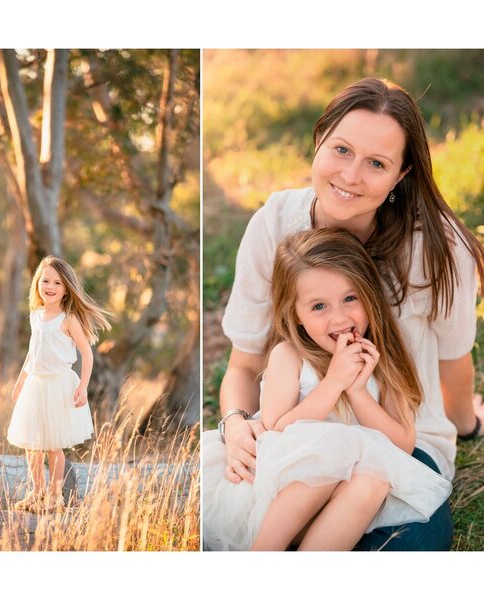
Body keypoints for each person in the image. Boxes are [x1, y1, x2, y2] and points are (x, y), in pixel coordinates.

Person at [217, 77, 484, 550]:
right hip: (300, 437)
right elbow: (243, 364)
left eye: (377, 163)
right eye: (341, 149)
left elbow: (453, 362)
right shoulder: (275, 224)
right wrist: (236, 423)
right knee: (230, 521)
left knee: (399, 550)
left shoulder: (438, 249)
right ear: (318, 140)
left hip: (398, 444)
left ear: (402, 175)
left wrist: (466, 423)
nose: (351, 176)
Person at [204, 229, 451, 550]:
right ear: (296, 314)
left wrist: (358, 392)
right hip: (283, 494)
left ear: (370, 295)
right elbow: (276, 428)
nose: (339, 317)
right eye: (318, 306)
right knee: (330, 454)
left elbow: (402, 445)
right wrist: (334, 383)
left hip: (343, 505)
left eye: (350, 298)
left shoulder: (383, 357)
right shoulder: (289, 356)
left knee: (373, 477)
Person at [6, 256, 111, 511]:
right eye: (45, 281)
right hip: (36, 385)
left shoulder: (68, 319)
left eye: (57, 283)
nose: (50, 286)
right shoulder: (36, 316)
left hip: (59, 385)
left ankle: (55, 496)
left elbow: (86, 352)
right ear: (37, 284)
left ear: (66, 289)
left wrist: (82, 386)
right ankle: (37, 491)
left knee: (53, 445)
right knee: (32, 445)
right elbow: (33, 353)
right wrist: (21, 381)